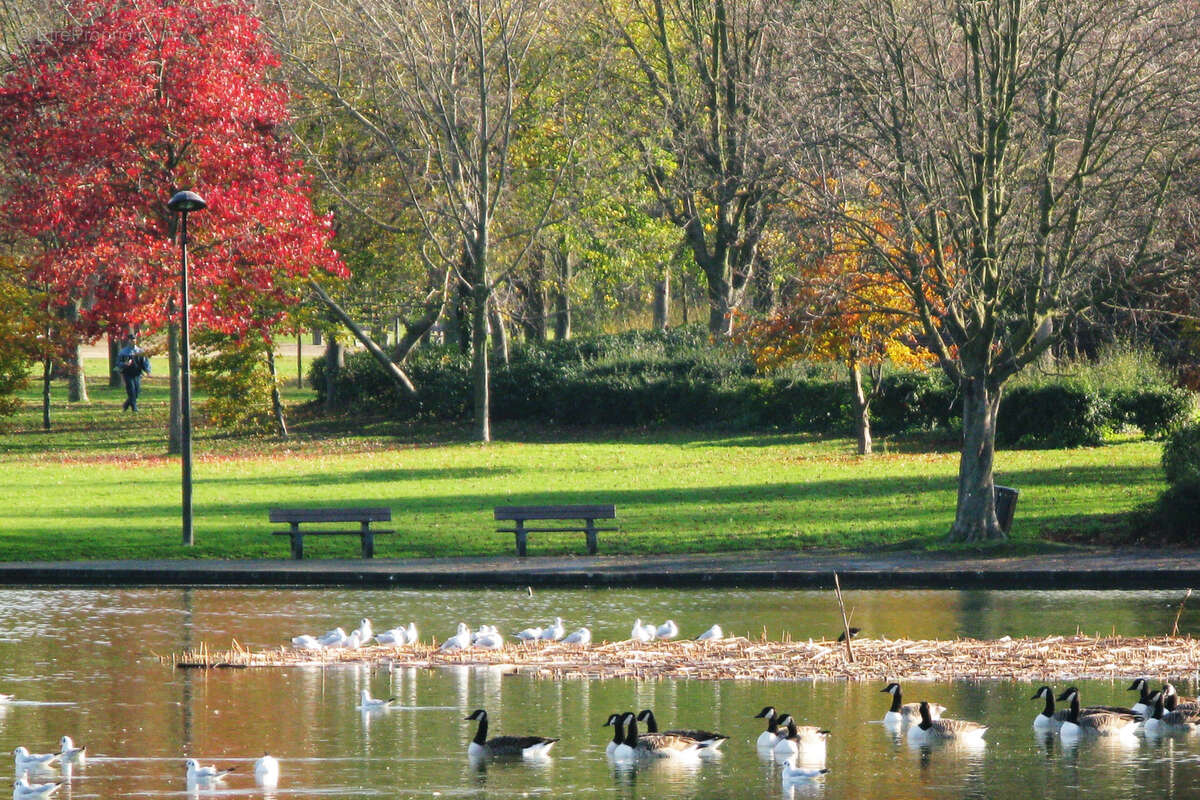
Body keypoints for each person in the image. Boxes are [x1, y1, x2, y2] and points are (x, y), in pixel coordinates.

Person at [115, 336, 150, 412]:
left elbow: (144, 362)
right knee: (131, 390)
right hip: (127, 374)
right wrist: (124, 364)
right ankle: (134, 408)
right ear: (129, 341)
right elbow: (118, 363)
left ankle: (126, 405)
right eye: (131, 340)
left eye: (134, 340)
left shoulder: (140, 351)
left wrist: (147, 370)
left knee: (137, 391)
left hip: (137, 374)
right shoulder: (123, 352)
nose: (133, 342)